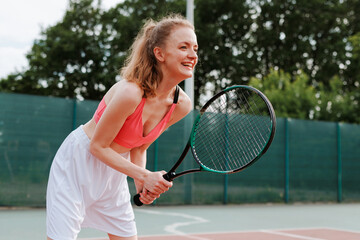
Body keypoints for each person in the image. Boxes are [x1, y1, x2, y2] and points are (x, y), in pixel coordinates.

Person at [46, 14, 198, 240]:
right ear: (159, 53)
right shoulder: (130, 93)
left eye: (195, 48)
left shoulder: (181, 105)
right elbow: (97, 146)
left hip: (115, 170)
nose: (192, 55)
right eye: (183, 47)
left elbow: (139, 147)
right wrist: (145, 175)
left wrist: (140, 183)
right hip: (77, 164)